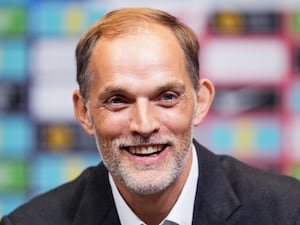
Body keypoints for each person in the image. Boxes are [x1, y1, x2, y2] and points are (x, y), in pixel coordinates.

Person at [1, 7, 300, 225]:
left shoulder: (288, 211)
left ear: (201, 101)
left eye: (167, 97)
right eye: (118, 100)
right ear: (84, 112)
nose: (144, 125)